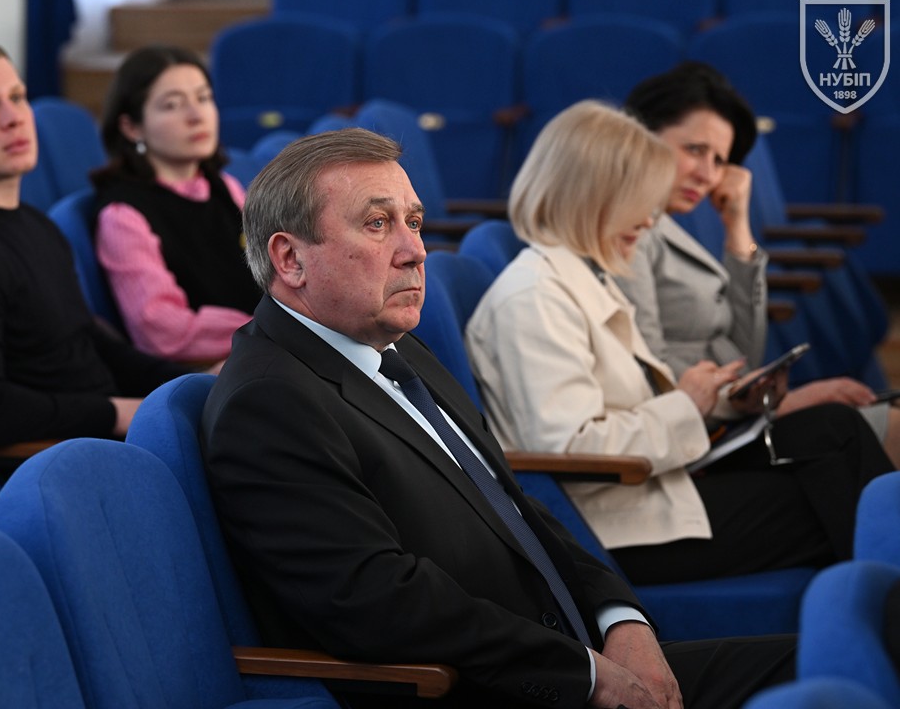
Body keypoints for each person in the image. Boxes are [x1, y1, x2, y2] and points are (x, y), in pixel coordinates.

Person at [204, 126, 798, 709]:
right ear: (290, 259)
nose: (415, 251)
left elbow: (514, 506)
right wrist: (587, 675)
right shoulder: (270, 403)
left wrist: (621, 620)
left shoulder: (396, 348)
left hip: (566, 650)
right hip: (495, 686)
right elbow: (380, 604)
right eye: (378, 223)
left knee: (825, 655)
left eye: (414, 222)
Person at [465, 100, 893, 590]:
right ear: (592, 197)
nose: (649, 222)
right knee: (845, 502)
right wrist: (689, 405)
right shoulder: (533, 299)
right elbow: (572, 448)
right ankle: (879, 615)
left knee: (835, 429)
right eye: (638, 203)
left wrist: (719, 402)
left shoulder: (581, 277)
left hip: (648, 485)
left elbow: (629, 403)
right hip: (613, 526)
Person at [0, 35, 184, 455]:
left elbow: (89, 343)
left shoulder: (34, 224)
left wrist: (187, 385)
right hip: (60, 463)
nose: (13, 118)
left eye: (17, 97)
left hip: (108, 442)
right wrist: (117, 413)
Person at [614, 61, 900, 467]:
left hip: (732, 416)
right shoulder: (631, 231)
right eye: (695, 150)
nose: (708, 175)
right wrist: (781, 405)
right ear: (641, 136)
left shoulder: (664, 225)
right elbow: (648, 372)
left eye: (719, 160)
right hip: (698, 437)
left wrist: (737, 225)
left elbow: (745, 350)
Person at [91, 45, 260, 368]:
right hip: (216, 368)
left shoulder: (223, 185)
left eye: (204, 98)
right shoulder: (123, 215)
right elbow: (161, 330)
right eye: (172, 105)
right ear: (131, 127)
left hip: (263, 347)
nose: (196, 115)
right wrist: (269, 329)